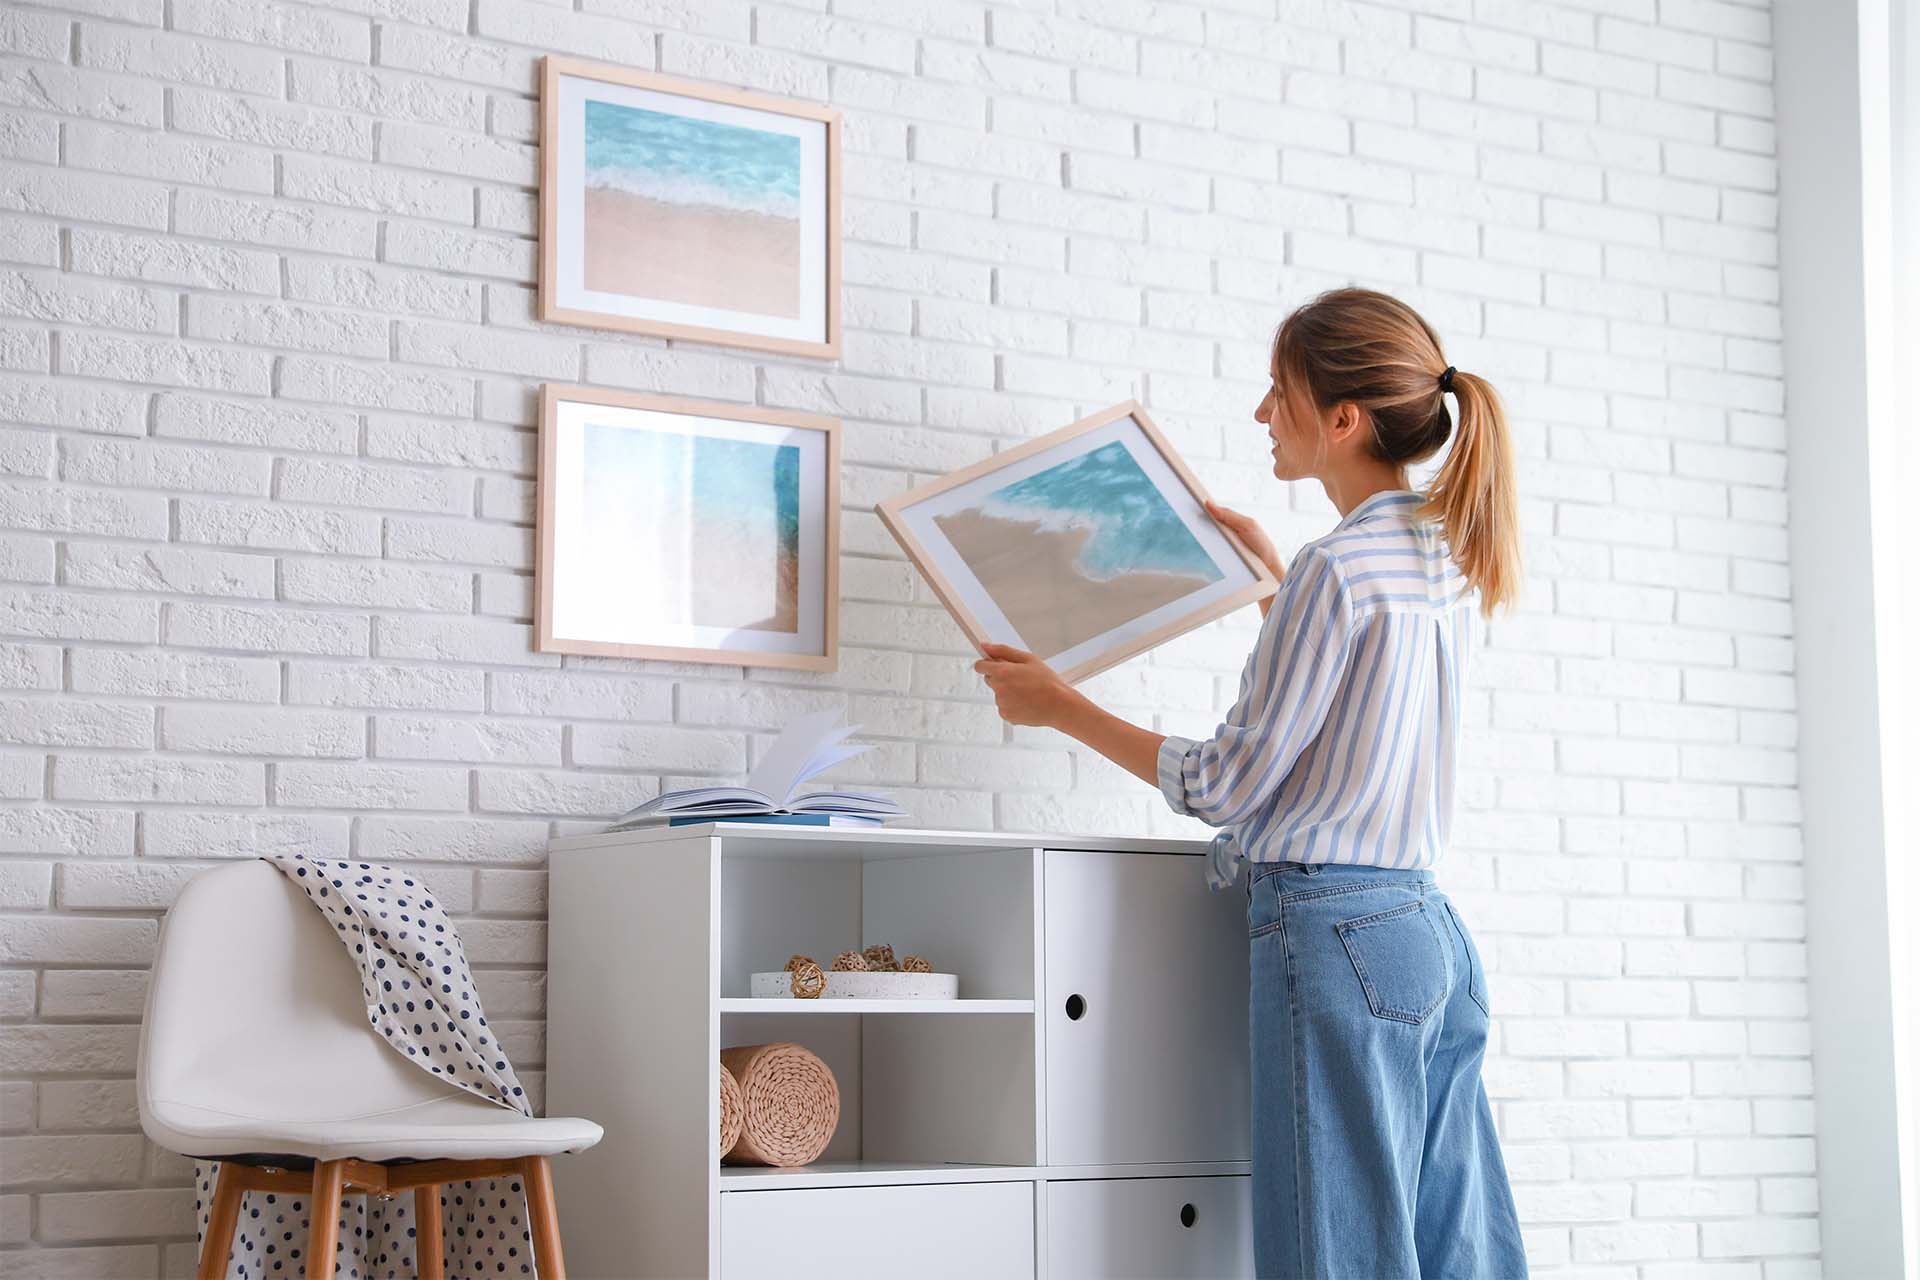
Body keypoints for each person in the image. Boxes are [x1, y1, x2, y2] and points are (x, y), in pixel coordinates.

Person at [975, 287, 1529, 1278]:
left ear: (1342, 418)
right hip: (1427, 933)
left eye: (1281, 392)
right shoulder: (1443, 554)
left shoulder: (1338, 569)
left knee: (1336, 1253)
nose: (1262, 413)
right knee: (1455, 1249)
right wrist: (1280, 593)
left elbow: (1228, 782)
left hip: (1335, 935)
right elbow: (1358, 712)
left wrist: (1061, 705)